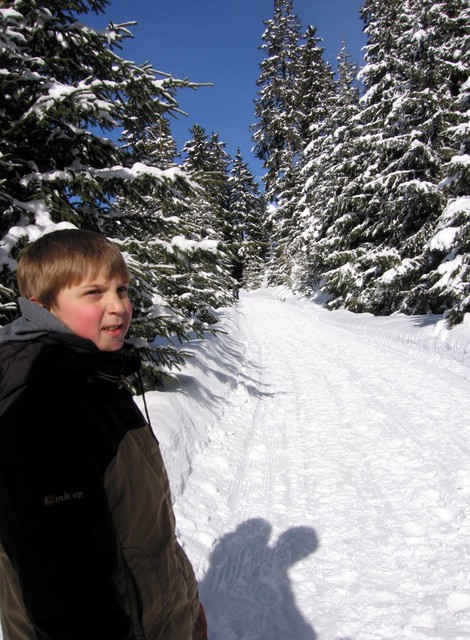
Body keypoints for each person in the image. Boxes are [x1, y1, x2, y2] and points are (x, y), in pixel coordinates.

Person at [0, 228, 208, 640]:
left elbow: (140, 532)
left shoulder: (91, 377)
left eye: (122, 289)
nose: (118, 306)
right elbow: (63, 589)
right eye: (94, 293)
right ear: (41, 307)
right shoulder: (44, 408)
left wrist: (183, 602)